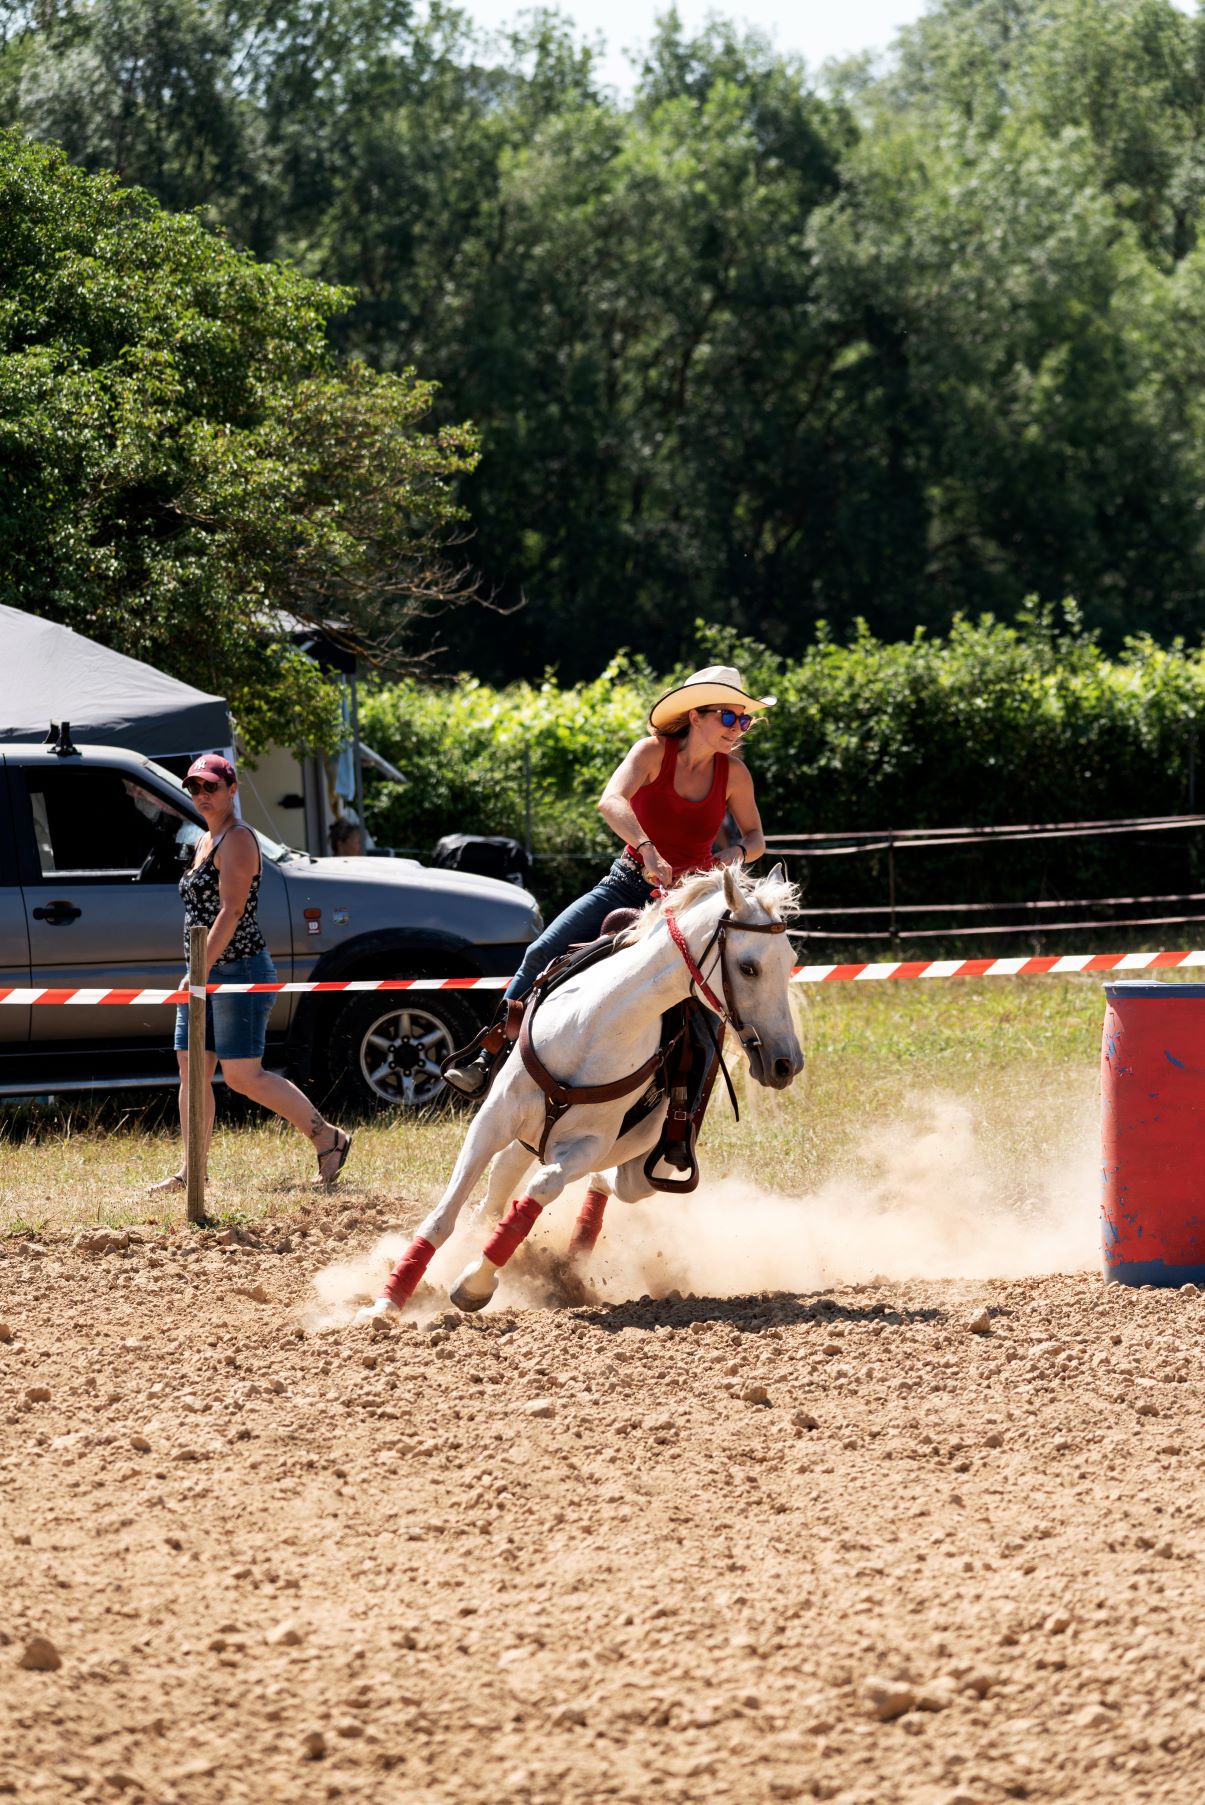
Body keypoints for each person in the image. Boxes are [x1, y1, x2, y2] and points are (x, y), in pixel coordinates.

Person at [443, 664, 775, 1097]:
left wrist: (736, 853)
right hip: (627, 885)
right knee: (541, 951)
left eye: (743, 720)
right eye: (728, 716)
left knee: (707, 1008)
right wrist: (647, 848)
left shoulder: (735, 774)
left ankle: (685, 1114)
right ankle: (487, 1058)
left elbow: (756, 838)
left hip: (692, 901)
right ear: (695, 716)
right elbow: (611, 800)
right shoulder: (651, 752)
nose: (737, 727)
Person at [150, 753, 352, 1193]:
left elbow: (232, 911)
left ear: (232, 790)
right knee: (192, 1072)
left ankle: (328, 1138)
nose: (202, 794)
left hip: (238, 971)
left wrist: (201, 969)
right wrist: (197, 972)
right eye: (195, 787)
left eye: (211, 786)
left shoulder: (238, 839)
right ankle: (191, 1172)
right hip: (204, 971)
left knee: (243, 1076)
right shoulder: (205, 840)